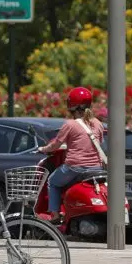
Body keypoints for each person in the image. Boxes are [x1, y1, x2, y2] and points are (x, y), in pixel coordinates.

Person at [37, 87, 105, 224]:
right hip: (96, 168)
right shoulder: (98, 123)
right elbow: (99, 142)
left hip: (75, 167)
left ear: (71, 106)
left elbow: (55, 145)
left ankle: (55, 215)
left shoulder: (70, 124)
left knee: (53, 182)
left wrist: (43, 149)